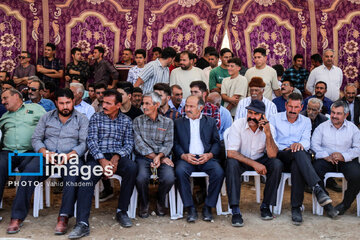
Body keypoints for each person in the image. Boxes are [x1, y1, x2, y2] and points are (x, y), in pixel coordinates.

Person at [7, 88, 88, 235]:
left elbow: (84, 143)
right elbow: (36, 139)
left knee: (73, 175)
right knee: (28, 173)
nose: (65, 107)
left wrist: (69, 155)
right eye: (61, 103)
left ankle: (63, 217)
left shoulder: (81, 119)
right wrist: (45, 152)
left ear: (73, 102)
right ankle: (17, 217)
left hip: (70, 157)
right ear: (56, 103)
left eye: (68, 103)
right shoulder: (46, 117)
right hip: (47, 156)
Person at [68, 90, 137, 239]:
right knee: (86, 178)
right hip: (98, 157)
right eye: (103, 102)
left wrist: (117, 157)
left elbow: (129, 143)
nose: (103, 106)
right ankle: (82, 223)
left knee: (132, 168)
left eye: (108, 103)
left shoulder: (126, 120)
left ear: (118, 105)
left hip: (117, 156)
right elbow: (91, 141)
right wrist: (102, 160)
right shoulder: (96, 118)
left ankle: (122, 211)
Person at [269, 93, 338, 225]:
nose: (292, 110)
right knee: (299, 154)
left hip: (298, 157)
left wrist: (299, 145)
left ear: (301, 107)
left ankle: (296, 208)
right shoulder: (275, 118)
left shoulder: (305, 121)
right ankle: (316, 188)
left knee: (298, 160)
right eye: (290, 106)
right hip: (281, 155)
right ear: (285, 105)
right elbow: (273, 141)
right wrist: (289, 148)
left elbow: (307, 141)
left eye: (296, 107)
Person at [226, 100, 282, 226]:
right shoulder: (238, 124)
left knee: (277, 164)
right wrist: (254, 164)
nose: (251, 116)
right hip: (241, 158)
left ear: (263, 116)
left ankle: (266, 205)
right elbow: (231, 153)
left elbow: (272, 155)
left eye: (256, 114)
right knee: (231, 163)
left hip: (260, 157)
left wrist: (267, 134)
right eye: (249, 112)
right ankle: (235, 210)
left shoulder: (269, 128)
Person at [0, 89, 45, 231]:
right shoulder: (4, 117)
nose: (2, 102)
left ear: (16, 96)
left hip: (31, 151)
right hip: (8, 152)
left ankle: (17, 217)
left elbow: (49, 124)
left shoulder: (35, 108)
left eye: (5, 98)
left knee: (29, 173)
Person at [174, 95, 224, 222]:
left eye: (191, 106)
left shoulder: (210, 122)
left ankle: (208, 206)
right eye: (187, 106)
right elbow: (175, 143)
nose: (187, 109)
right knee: (180, 171)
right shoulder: (178, 122)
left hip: (205, 158)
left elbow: (216, 143)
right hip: (187, 158)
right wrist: (183, 155)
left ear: (200, 108)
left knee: (218, 172)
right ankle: (190, 207)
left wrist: (209, 155)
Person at [312, 100, 360, 215]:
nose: (334, 116)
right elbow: (314, 145)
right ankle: (326, 204)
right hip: (326, 160)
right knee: (314, 170)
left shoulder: (353, 129)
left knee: (357, 175)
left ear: (346, 115)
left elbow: (357, 148)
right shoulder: (322, 127)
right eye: (333, 112)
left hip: (346, 161)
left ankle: (344, 205)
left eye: (338, 113)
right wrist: (326, 156)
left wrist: (343, 156)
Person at [133, 92, 175, 217]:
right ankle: (144, 202)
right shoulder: (137, 121)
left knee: (169, 178)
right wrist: (156, 157)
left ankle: (160, 200)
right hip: (144, 157)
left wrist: (160, 156)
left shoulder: (167, 122)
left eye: (147, 103)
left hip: (162, 156)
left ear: (156, 105)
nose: (144, 106)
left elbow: (168, 143)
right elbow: (138, 144)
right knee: (140, 178)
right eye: (143, 103)